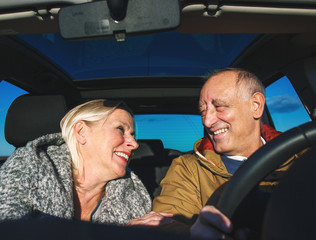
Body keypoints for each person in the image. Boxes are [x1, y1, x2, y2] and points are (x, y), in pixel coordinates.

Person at [153, 68, 296, 239]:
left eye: (219, 107)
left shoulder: (301, 155)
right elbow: (167, 223)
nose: (207, 121)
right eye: (203, 111)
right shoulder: (189, 168)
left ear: (256, 106)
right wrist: (194, 234)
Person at [0, 99, 172, 226]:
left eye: (133, 135)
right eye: (121, 129)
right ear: (82, 132)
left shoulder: (136, 197)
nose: (134, 144)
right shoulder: (27, 167)